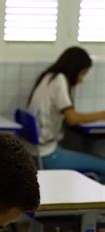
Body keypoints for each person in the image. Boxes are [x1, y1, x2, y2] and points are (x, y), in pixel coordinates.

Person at [28, 46, 105, 181]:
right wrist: (102, 115)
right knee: (103, 165)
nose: (81, 80)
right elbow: (72, 119)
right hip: (49, 155)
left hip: (36, 152)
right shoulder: (60, 80)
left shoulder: (48, 77)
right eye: (82, 73)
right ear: (74, 69)